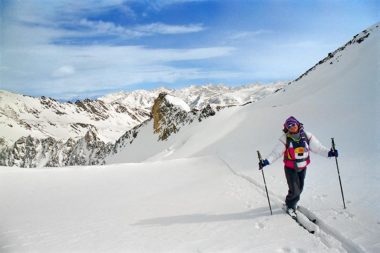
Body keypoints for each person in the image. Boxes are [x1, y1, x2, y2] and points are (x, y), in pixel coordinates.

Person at [259, 116, 338, 218]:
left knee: (299, 188)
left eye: (293, 124)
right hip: (290, 168)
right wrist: (266, 161)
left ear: (297, 124)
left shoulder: (307, 136)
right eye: (289, 126)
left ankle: (291, 200)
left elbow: (318, 148)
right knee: (295, 190)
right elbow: (276, 153)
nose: (292, 127)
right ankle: (290, 206)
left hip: (303, 167)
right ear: (287, 128)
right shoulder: (285, 138)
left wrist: (329, 153)